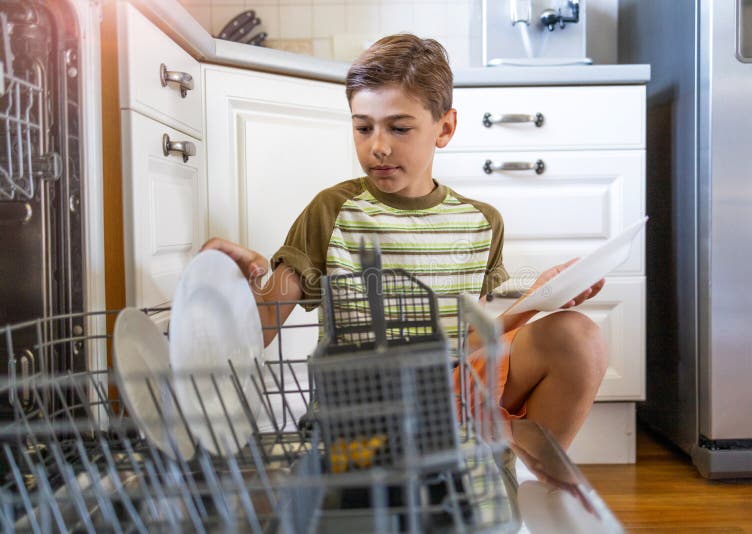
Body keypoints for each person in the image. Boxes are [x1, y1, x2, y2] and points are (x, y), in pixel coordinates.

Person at [201, 34, 607, 456]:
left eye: (399, 127)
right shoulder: (333, 211)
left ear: (444, 127)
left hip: (445, 398)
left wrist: (538, 297)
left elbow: (462, 343)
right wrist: (228, 284)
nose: (377, 146)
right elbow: (258, 329)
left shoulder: (481, 223)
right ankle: (467, 462)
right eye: (363, 127)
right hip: (358, 414)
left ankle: (525, 477)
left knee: (577, 336)